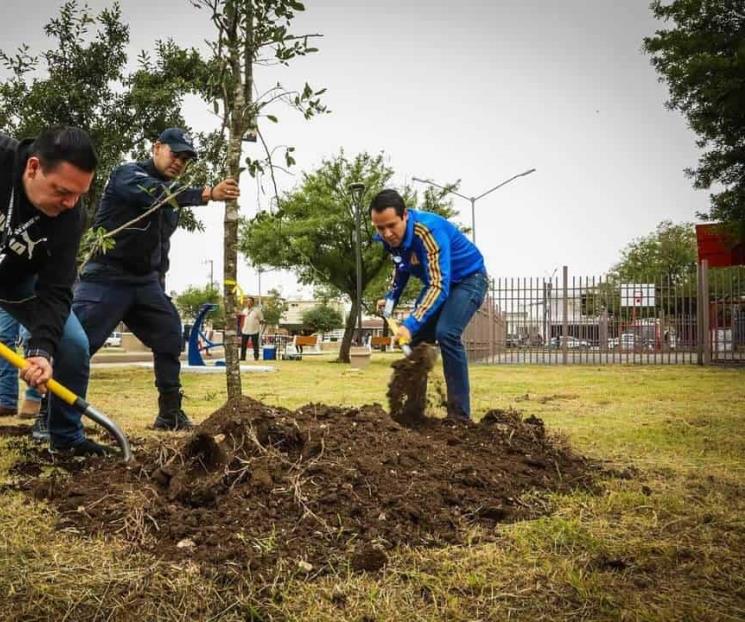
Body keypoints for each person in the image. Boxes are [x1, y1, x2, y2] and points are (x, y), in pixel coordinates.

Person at [65, 128, 239, 431]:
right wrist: (207, 193)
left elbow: (160, 247)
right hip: (105, 278)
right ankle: (52, 416)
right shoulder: (127, 176)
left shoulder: (172, 199)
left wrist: (158, 289)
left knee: (170, 333)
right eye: (175, 154)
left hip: (144, 283)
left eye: (185, 159)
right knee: (77, 346)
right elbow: (155, 195)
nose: (179, 162)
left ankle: (170, 414)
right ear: (156, 148)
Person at [0, 126, 103, 454]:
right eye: (62, 191)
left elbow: (57, 289)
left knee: (72, 344)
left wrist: (41, 350)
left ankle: (66, 438)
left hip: (19, 283)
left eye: (79, 194)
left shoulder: (71, 216)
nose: (71, 203)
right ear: (33, 167)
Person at [370, 188, 488, 421]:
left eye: (391, 225)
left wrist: (410, 323)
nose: (387, 233)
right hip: (442, 282)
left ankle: (459, 416)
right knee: (416, 342)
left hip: (468, 279)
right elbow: (401, 267)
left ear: (405, 215)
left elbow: (438, 286)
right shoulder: (390, 239)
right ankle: (413, 412)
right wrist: (391, 298)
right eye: (380, 228)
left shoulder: (428, 231)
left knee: (447, 333)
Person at [240, 297, 264, 361]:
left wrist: (259, 326)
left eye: (250, 301)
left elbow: (261, 320)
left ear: (253, 302)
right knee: (243, 345)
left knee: (255, 345)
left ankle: (256, 357)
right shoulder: (244, 310)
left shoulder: (257, 310)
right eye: (247, 301)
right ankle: (242, 358)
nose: (248, 303)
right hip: (245, 330)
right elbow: (242, 320)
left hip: (254, 330)